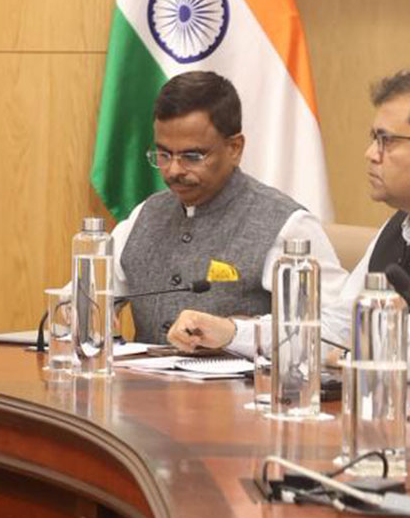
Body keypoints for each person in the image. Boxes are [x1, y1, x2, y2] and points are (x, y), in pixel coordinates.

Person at [172, 70, 410, 353]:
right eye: (374, 138)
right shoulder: (396, 228)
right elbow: (339, 328)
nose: (371, 153)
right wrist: (231, 332)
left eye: (387, 140)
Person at [106, 72, 346, 350]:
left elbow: (336, 330)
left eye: (192, 156)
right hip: (144, 391)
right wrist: (88, 311)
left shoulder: (288, 226)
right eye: (163, 155)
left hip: (241, 392)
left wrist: (237, 333)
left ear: (234, 148)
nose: (173, 170)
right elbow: (82, 297)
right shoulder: (145, 215)